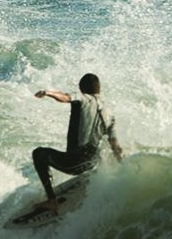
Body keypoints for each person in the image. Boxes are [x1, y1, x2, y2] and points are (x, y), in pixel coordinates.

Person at [31, 73, 122, 212]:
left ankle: (52, 201)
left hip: (75, 163)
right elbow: (115, 146)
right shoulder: (109, 113)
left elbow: (65, 97)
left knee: (38, 154)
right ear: (99, 89)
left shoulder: (83, 98)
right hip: (92, 163)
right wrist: (123, 168)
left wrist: (47, 92)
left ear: (82, 89)